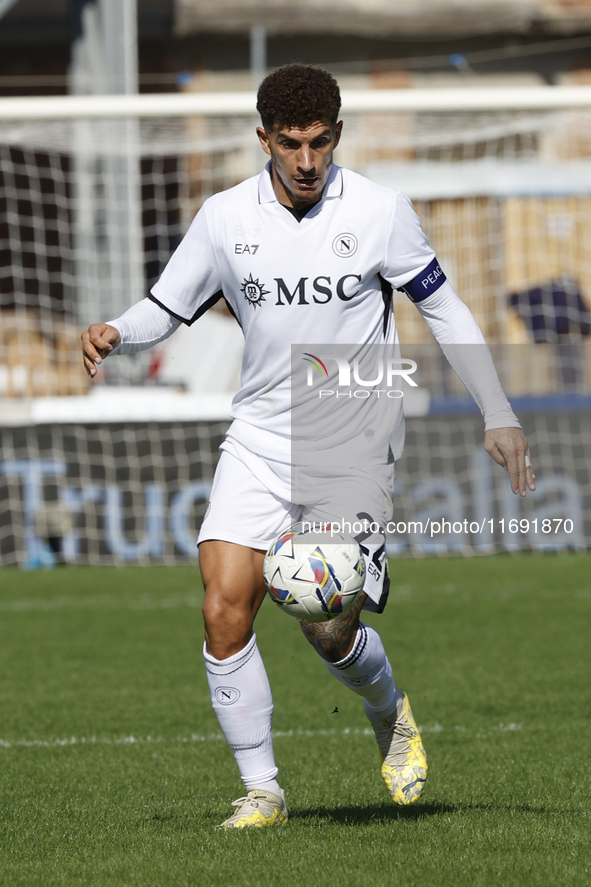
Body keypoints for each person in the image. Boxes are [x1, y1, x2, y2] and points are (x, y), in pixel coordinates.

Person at [81, 64, 535, 830]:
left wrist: (498, 411)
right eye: (289, 143)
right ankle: (261, 789)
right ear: (262, 138)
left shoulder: (381, 211)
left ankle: (389, 713)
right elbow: (167, 305)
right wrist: (118, 333)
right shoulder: (224, 217)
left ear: (337, 137)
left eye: (319, 142)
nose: (305, 159)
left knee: (326, 623)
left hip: (350, 426)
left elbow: (447, 311)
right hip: (257, 432)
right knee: (224, 607)